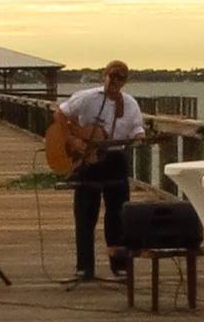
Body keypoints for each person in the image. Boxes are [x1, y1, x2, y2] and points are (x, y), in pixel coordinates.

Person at [53, 60, 145, 280]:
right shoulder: (87, 97)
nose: (115, 81)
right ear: (104, 76)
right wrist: (72, 140)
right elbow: (60, 113)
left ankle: (119, 265)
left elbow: (136, 126)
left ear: (125, 81)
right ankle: (84, 267)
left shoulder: (130, 104)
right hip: (89, 160)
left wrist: (139, 136)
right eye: (112, 76)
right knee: (85, 215)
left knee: (118, 214)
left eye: (120, 78)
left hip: (115, 159)